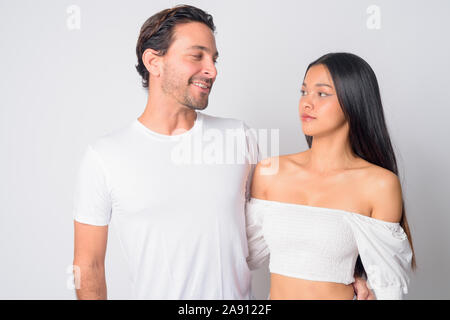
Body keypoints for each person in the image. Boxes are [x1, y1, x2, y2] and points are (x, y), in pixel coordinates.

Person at [72, 5, 371, 299]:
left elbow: (286, 222)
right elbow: (88, 266)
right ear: (154, 62)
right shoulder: (105, 157)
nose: (212, 70)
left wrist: (352, 272)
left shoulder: (238, 137)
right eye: (197, 56)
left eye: (214, 59)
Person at [246, 52, 416, 300]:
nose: (306, 103)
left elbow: (389, 287)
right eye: (303, 92)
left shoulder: (378, 184)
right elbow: (241, 255)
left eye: (322, 93)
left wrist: (367, 284)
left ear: (353, 101)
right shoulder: (270, 171)